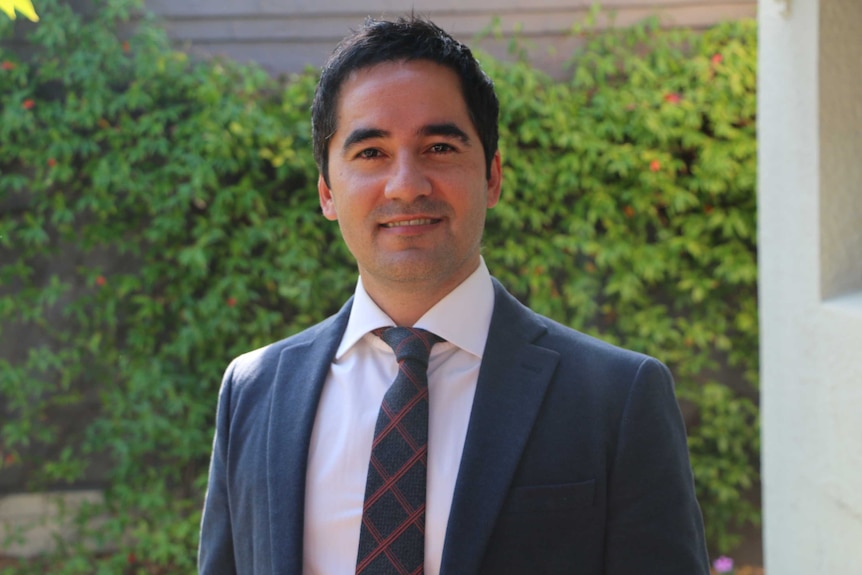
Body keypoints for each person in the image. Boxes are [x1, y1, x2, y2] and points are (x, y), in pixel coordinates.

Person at [198, 15, 710, 575]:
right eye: (370, 153)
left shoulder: (618, 398)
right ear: (327, 191)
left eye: (439, 147)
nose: (406, 185)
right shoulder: (254, 391)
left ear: (491, 177)